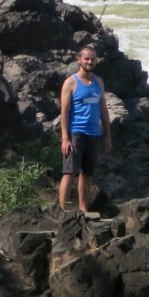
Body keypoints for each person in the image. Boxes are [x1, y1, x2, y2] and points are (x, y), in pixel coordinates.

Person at [58, 45, 112, 213]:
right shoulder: (70, 83)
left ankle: (83, 210)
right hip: (76, 134)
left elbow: (103, 109)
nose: (90, 61)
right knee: (69, 172)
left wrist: (108, 135)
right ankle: (62, 210)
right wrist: (65, 138)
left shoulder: (99, 82)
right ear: (79, 60)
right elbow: (64, 112)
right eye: (86, 58)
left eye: (93, 59)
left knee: (86, 174)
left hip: (94, 134)